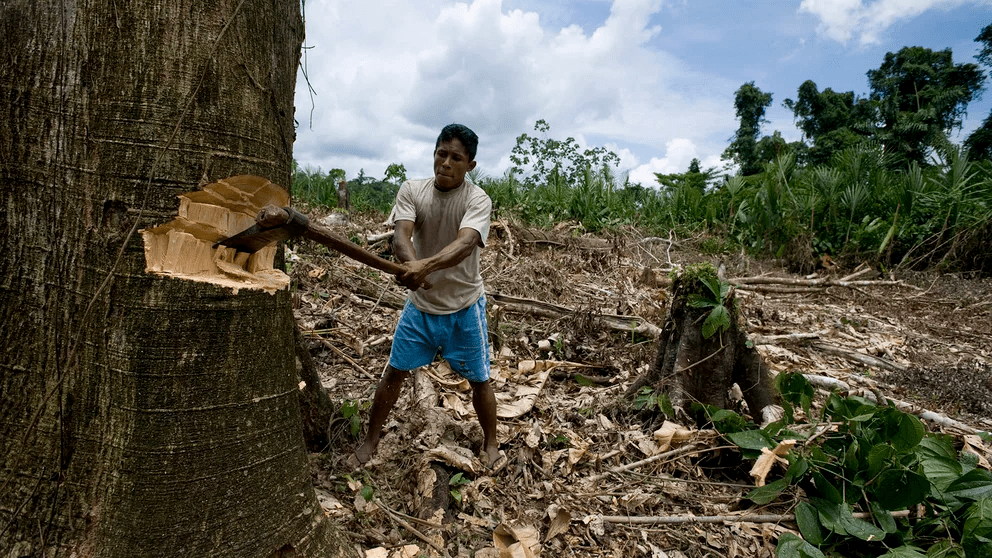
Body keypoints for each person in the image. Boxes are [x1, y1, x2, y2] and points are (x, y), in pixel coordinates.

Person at [353, 124, 503, 470]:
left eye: (456, 158)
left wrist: (424, 268)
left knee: (479, 378)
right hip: (420, 308)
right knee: (394, 373)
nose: (446, 163)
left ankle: (491, 443)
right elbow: (400, 236)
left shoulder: (476, 199)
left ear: (471, 165)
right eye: (441, 154)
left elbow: (466, 243)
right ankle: (370, 442)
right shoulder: (413, 190)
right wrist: (411, 264)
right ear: (434, 153)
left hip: (464, 306)